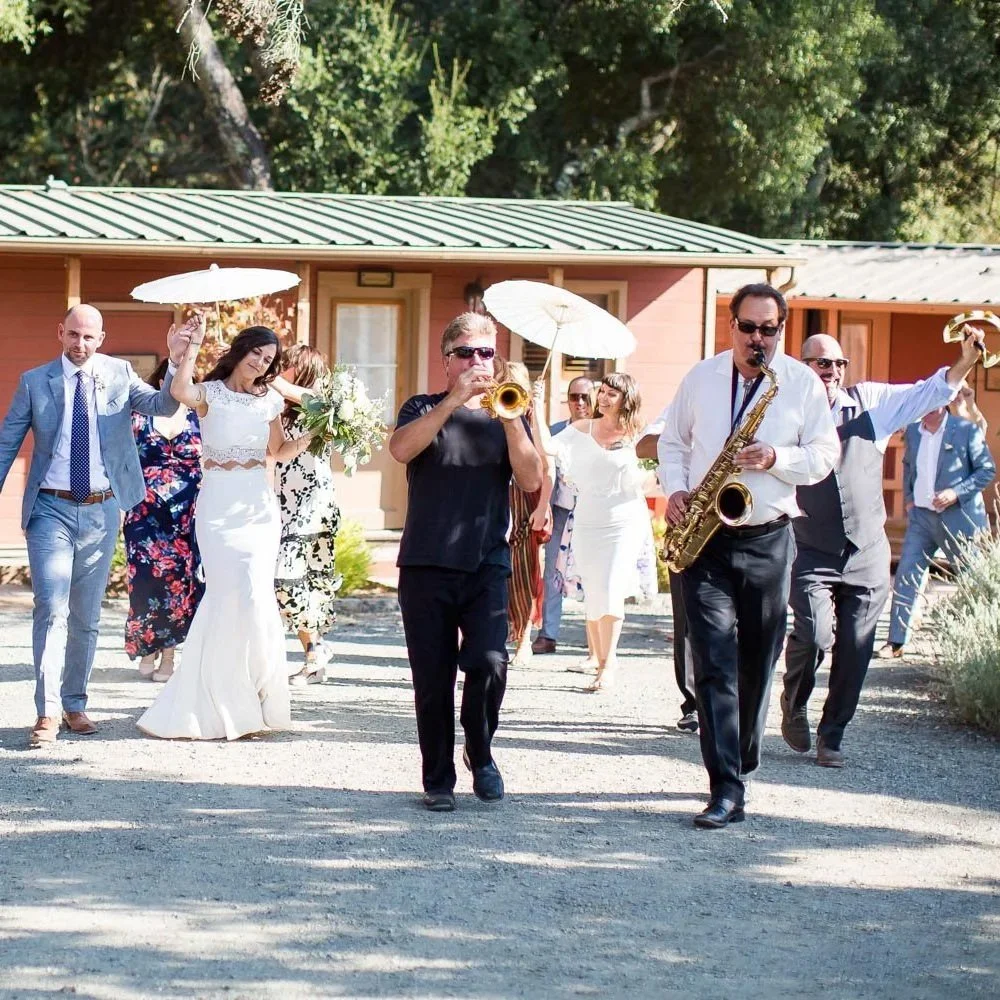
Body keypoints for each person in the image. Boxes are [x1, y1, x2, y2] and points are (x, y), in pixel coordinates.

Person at [658, 283, 839, 829]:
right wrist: (674, 488)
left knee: (758, 661)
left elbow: (824, 455)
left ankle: (742, 754)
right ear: (730, 326)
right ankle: (725, 787)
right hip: (706, 538)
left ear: (779, 331)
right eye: (748, 327)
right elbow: (672, 441)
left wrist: (776, 456)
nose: (757, 338)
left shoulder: (800, 383)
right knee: (713, 661)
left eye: (768, 329)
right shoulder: (702, 377)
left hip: (768, 535)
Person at [781, 330, 989, 767]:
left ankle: (832, 735)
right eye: (822, 363)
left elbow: (930, 391)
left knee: (856, 646)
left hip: (867, 549)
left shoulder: (870, 402)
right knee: (815, 635)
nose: (832, 371)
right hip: (811, 547)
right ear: (803, 367)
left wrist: (965, 361)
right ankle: (794, 701)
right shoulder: (784, 411)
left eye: (838, 364)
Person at [0, 305, 189, 746]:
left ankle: (74, 705)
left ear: (101, 339)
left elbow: (163, 405)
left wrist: (177, 360)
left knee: (85, 617)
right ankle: (45, 713)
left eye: (89, 337)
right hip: (51, 508)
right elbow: (8, 441)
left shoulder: (119, 374)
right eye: (73, 335)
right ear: (60, 332)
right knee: (51, 608)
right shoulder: (35, 382)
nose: (80, 344)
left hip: (102, 511)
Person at [389, 313, 542, 812]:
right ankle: (437, 778)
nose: (479, 362)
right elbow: (400, 449)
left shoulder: (509, 412)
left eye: (486, 353)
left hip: (486, 561)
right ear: (447, 359)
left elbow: (531, 477)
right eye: (467, 353)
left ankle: (480, 750)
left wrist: (514, 419)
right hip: (426, 563)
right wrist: (454, 400)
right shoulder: (423, 406)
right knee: (432, 678)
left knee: (490, 662)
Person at [137, 323, 316, 741]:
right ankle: (214, 701)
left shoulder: (269, 399)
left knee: (255, 596)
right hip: (217, 507)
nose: (260, 362)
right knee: (225, 594)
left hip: (258, 508)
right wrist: (192, 346)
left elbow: (280, 451)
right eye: (256, 353)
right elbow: (180, 390)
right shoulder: (209, 394)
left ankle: (253, 698)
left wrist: (315, 431)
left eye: (268, 359)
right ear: (241, 351)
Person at [533, 373, 652, 693]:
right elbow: (546, 446)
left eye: (613, 393)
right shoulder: (581, 428)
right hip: (587, 519)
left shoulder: (637, 435)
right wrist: (534, 403)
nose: (604, 397)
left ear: (627, 398)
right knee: (596, 590)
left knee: (612, 587)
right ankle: (599, 658)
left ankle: (608, 663)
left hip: (623, 521)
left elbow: (653, 473)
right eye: (603, 391)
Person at [876, 405, 995, 660]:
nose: (927, 407)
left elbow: (987, 471)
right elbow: (908, 464)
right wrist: (909, 499)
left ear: (943, 403)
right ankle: (896, 640)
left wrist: (956, 492)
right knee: (907, 573)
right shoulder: (914, 432)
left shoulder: (965, 430)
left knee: (971, 580)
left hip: (959, 518)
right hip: (921, 517)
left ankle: (976, 645)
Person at [123, 358, 204, 682]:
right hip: (144, 515)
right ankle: (148, 646)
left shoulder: (201, 417)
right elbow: (122, 460)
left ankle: (169, 656)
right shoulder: (139, 417)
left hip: (187, 516)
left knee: (180, 586)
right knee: (144, 584)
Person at [273, 345, 341, 685]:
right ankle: (314, 655)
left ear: (302, 371)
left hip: (313, 502)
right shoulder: (281, 408)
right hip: (283, 501)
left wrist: (266, 377)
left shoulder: (321, 405)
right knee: (300, 581)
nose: (279, 370)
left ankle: (315, 652)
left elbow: (292, 392)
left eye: (285, 365)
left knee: (287, 576)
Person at [638, 407, 698, 734]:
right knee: (687, 618)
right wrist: (692, 439)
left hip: (737, 520)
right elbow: (643, 446)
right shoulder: (684, 406)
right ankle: (693, 704)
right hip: (687, 518)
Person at [531, 376, 594, 655]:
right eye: (574, 396)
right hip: (561, 510)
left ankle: (595, 639)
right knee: (553, 570)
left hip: (593, 514)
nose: (579, 402)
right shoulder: (557, 431)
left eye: (585, 397)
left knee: (593, 575)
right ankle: (549, 633)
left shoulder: (602, 431)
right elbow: (541, 456)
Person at [501, 361, 550, 667]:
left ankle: (523, 640)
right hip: (498, 495)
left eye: (514, 385)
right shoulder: (492, 411)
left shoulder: (532, 417)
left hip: (526, 499)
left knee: (525, 571)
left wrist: (543, 506)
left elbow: (548, 467)